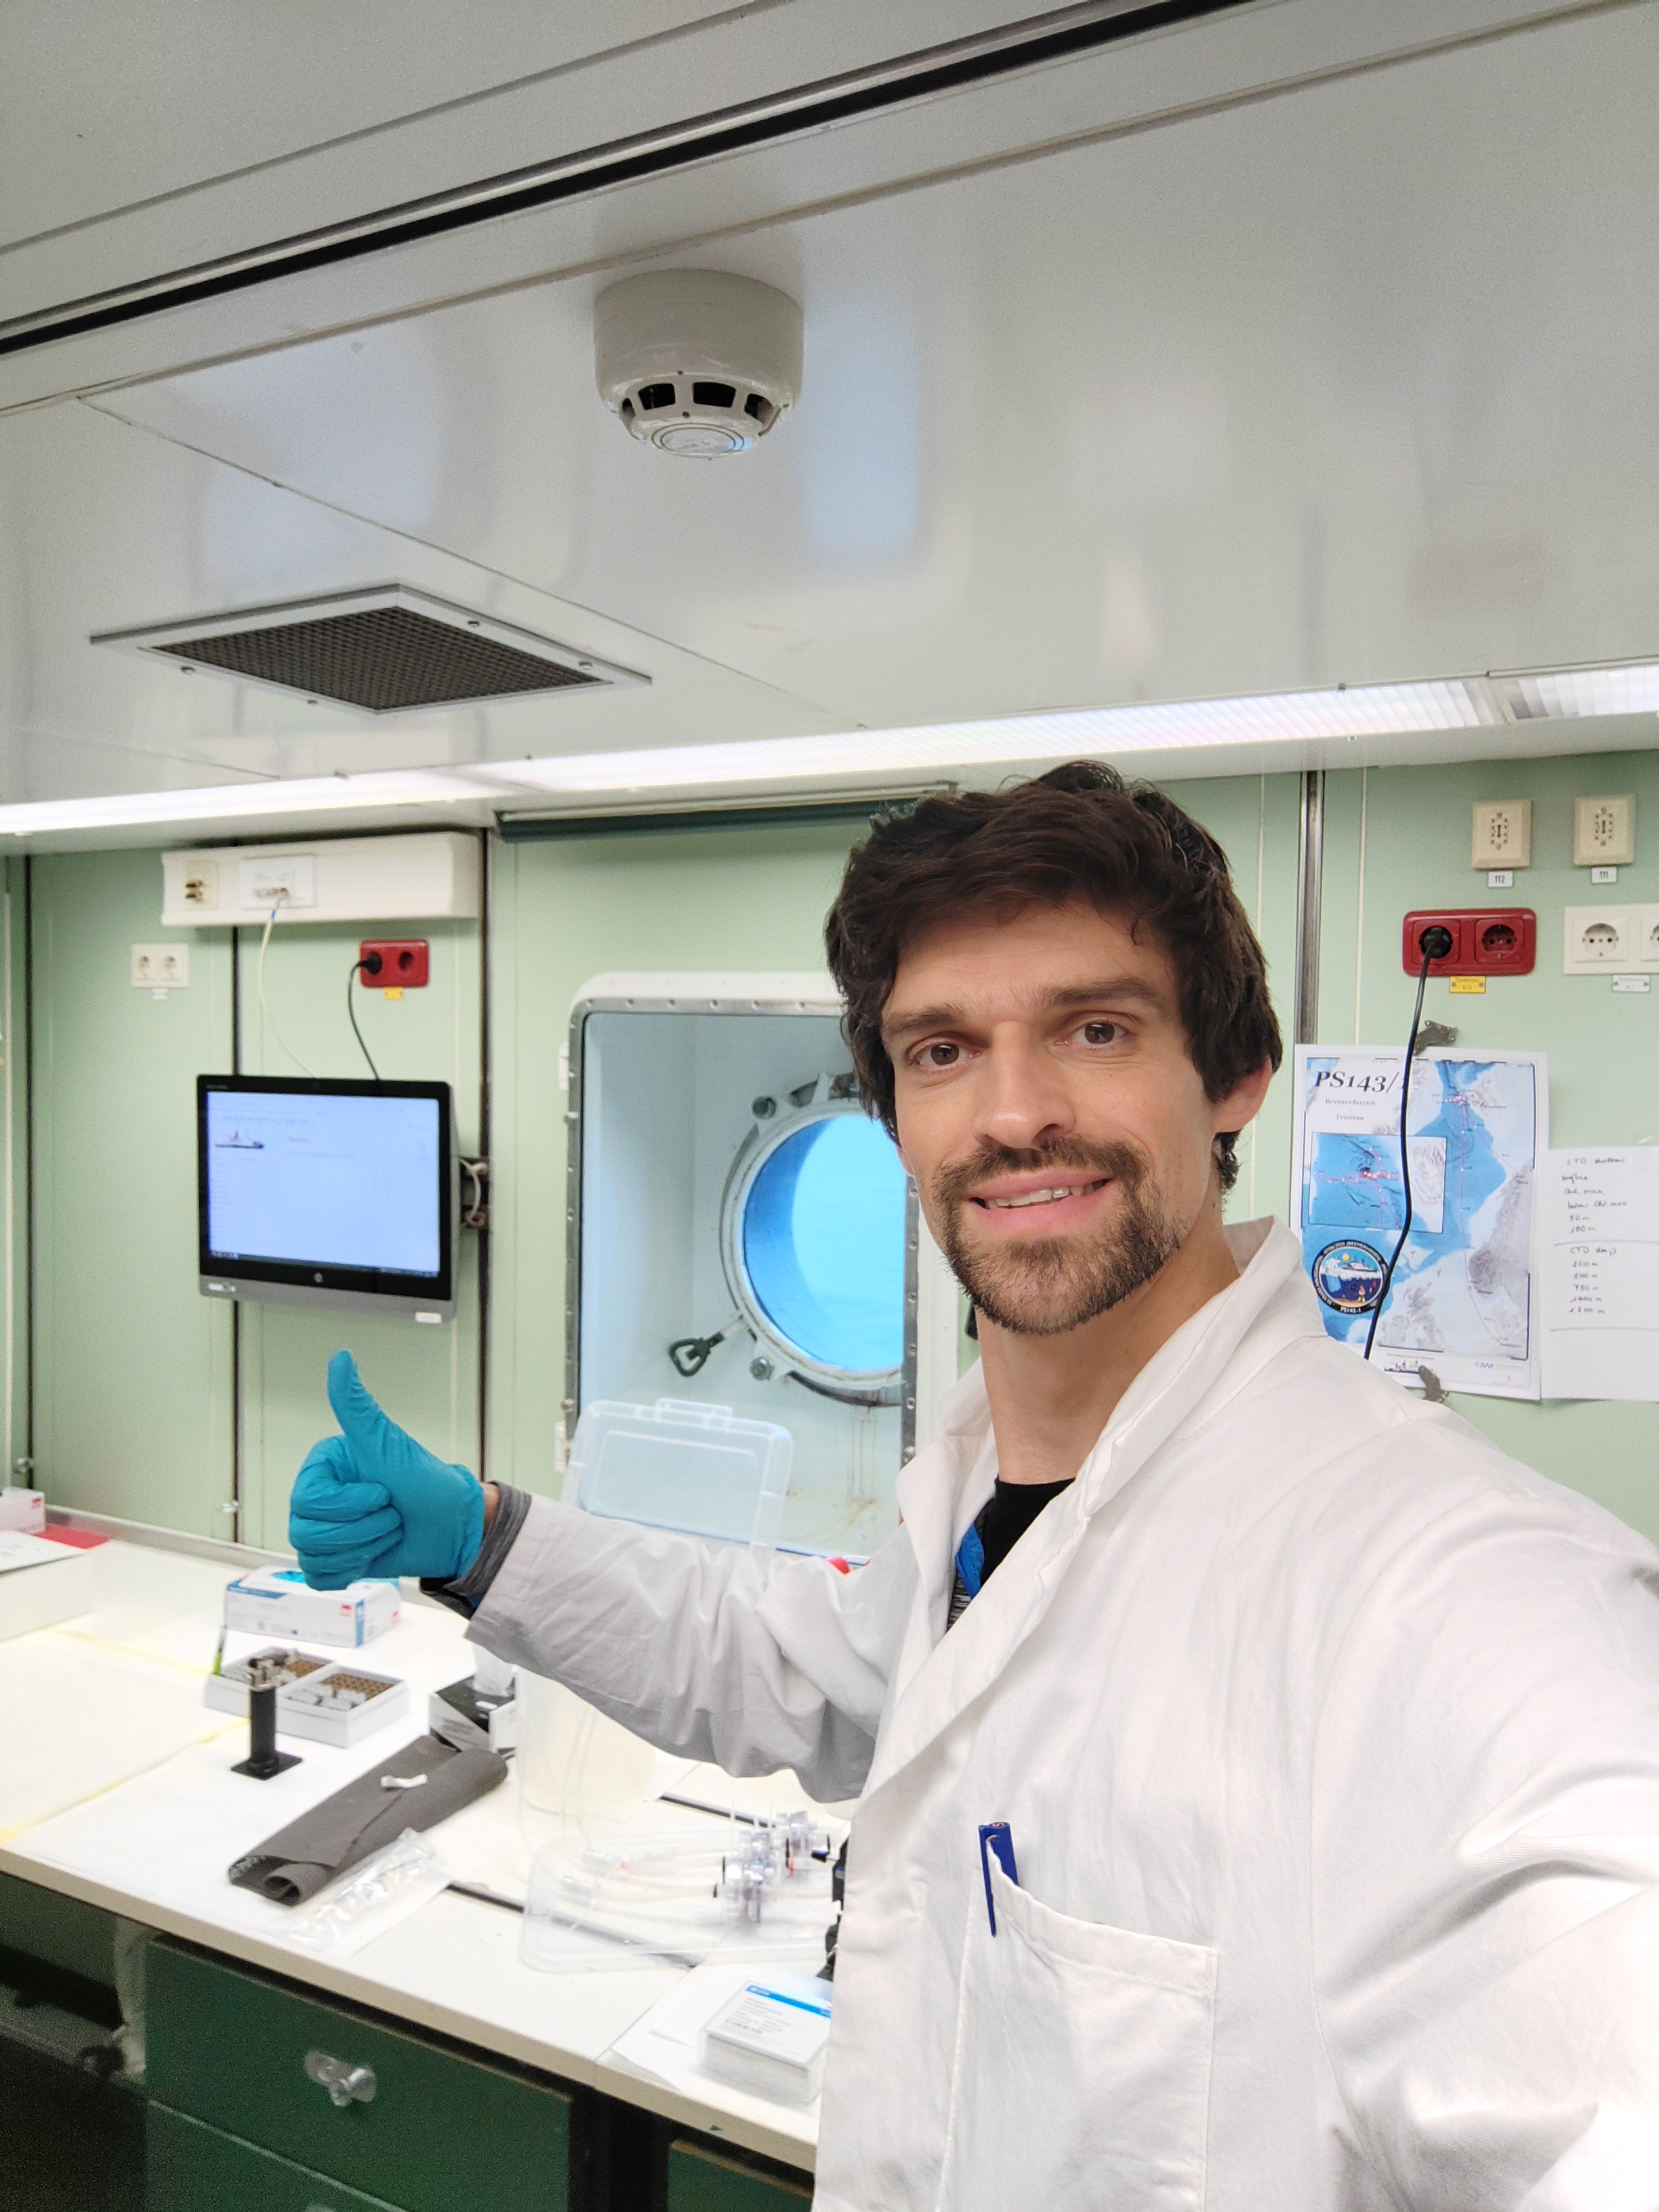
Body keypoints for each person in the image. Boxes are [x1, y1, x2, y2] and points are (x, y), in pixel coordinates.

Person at [291, 762, 1659, 2211]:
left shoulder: (1469, 1591)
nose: (1014, 1115)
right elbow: (796, 1670)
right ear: (893, 1113)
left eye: (1096, 1027)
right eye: (942, 1051)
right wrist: (486, 1540)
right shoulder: (975, 1495)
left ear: (1236, 1076)